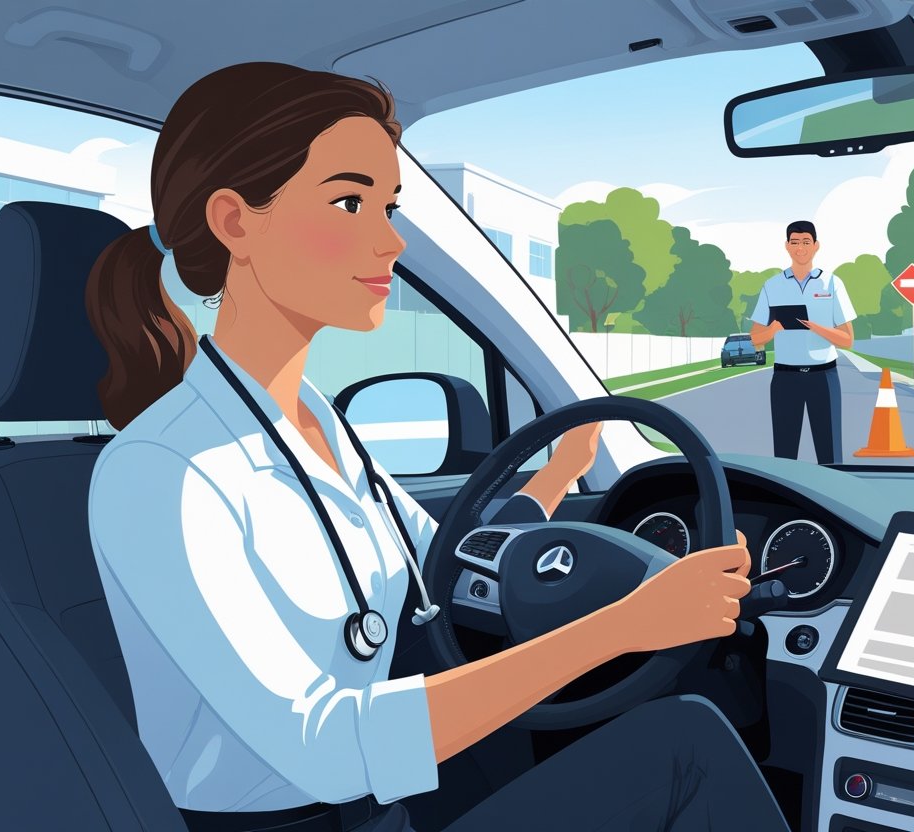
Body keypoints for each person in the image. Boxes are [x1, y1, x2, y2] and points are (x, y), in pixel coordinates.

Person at [85, 62, 789, 832]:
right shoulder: (163, 471)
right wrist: (625, 625)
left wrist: (558, 476)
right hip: (306, 819)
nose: (390, 240)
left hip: (381, 809)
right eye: (350, 202)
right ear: (235, 221)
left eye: (389, 207)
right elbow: (323, 745)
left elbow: (443, 561)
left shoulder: (318, 423)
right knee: (685, 747)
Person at [750, 221, 857, 465]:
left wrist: (814, 327)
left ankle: (833, 487)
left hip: (824, 378)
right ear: (787, 246)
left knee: (830, 454)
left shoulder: (832, 283)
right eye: (795, 242)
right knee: (784, 456)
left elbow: (848, 340)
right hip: (785, 379)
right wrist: (774, 329)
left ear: (816, 246)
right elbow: (755, 338)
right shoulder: (772, 286)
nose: (800, 248)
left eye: (806, 242)